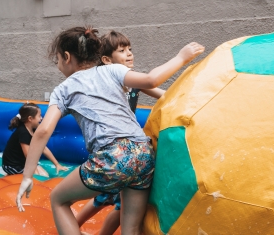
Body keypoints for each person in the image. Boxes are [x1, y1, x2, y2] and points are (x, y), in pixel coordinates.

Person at [16, 26, 204, 235]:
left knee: (58, 199)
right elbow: (151, 80)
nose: (59, 66)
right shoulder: (113, 70)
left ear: (67, 57)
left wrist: (27, 176)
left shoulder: (63, 89)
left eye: (58, 60)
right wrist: (181, 57)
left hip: (112, 156)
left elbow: (42, 132)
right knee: (130, 227)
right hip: (143, 154)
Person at [75, 30, 166, 235]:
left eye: (130, 49)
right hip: (111, 150)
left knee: (116, 202)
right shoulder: (109, 82)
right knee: (106, 197)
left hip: (130, 152)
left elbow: (164, 95)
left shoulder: (133, 82)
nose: (130, 54)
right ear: (107, 60)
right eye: (122, 50)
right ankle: (73, 225)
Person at [2, 102, 68, 176]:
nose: (41, 118)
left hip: (22, 163)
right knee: (40, 176)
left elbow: (43, 148)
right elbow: (28, 156)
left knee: (45, 175)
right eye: (39, 116)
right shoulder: (23, 132)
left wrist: (57, 164)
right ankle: (9, 175)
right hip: (12, 166)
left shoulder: (33, 129)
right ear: (30, 118)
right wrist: (35, 174)